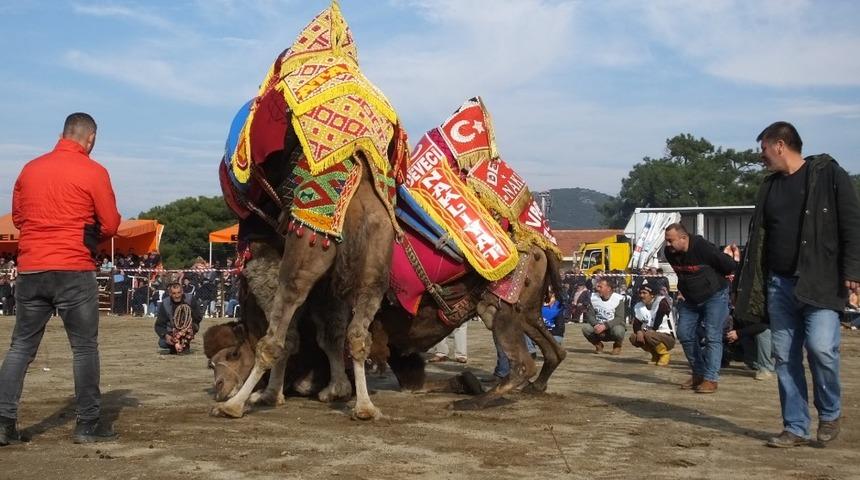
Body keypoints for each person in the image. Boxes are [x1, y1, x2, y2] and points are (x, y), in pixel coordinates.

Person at [734, 121, 860, 448]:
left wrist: (853, 270)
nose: (761, 156)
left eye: (763, 148)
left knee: (821, 349)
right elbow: (758, 239)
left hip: (820, 282)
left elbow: (852, 225)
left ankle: (830, 413)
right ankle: (795, 426)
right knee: (785, 358)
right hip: (779, 285)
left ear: (780, 144)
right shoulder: (769, 187)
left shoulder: (829, 175)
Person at [0, 113, 121, 446]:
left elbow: (20, 218)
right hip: (73, 268)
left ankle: (3, 422)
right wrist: (89, 235)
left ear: (62, 134)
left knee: (21, 347)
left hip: (32, 268)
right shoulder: (94, 172)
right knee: (83, 348)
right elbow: (111, 224)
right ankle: (87, 425)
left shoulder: (29, 169)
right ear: (90, 138)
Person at [664, 222, 736, 394]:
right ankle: (699, 373)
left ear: (683, 238)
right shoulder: (669, 252)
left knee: (712, 336)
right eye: (666, 240)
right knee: (684, 333)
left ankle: (711, 379)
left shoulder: (702, 247)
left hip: (715, 296)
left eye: (670, 240)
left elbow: (729, 265)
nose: (667, 244)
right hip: (691, 299)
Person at [629, 281, 676, 366]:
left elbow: (657, 323)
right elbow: (636, 323)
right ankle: (655, 354)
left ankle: (663, 354)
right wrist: (639, 332)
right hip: (651, 334)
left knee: (649, 334)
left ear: (652, 295)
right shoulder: (639, 306)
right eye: (640, 293)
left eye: (644, 293)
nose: (641, 295)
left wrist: (644, 332)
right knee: (634, 337)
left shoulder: (662, 302)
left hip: (667, 336)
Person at [582, 277, 627, 355]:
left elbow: (619, 318)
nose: (597, 289)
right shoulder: (594, 298)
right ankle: (598, 345)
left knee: (619, 331)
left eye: (600, 287)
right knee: (586, 328)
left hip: (612, 328)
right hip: (598, 327)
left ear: (608, 288)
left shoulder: (618, 299)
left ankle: (617, 345)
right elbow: (590, 315)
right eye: (597, 286)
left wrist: (605, 326)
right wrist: (596, 324)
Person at [155, 282, 203, 354]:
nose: (177, 296)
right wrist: (166, 335)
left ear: (182, 292)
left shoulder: (190, 299)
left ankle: (185, 344)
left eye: (179, 292)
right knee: (162, 343)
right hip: (172, 329)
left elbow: (198, 317)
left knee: (190, 328)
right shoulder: (165, 303)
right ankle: (174, 346)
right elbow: (159, 325)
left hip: (188, 328)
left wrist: (189, 313)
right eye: (174, 293)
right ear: (170, 294)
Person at [724, 314, 774, 381]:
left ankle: (766, 369)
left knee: (763, 332)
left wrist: (738, 333)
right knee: (745, 335)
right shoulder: (738, 312)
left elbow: (764, 326)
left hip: (773, 338)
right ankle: (754, 364)